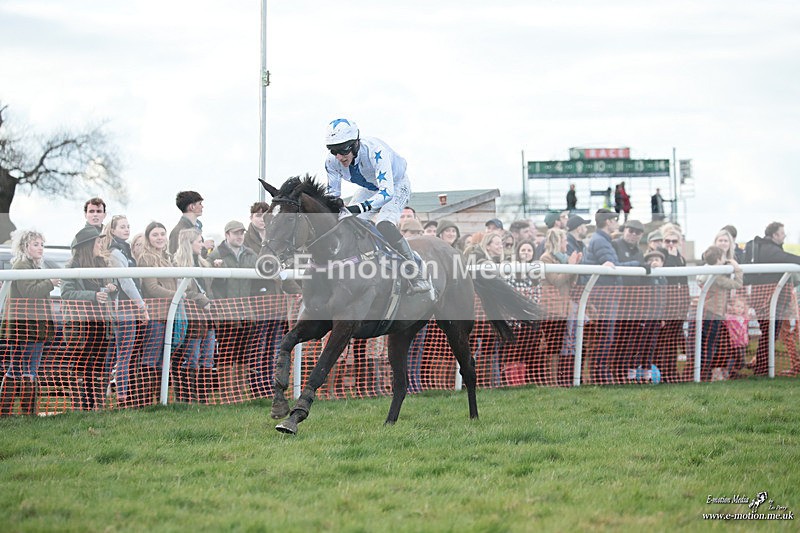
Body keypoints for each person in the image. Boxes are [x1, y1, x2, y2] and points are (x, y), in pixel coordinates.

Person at [324, 118, 431, 294]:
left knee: (384, 223)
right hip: (369, 188)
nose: (339, 157)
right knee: (346, 223)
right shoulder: (331, 162)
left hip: (395, 185)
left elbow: (386, 193)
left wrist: (356, 208)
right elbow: (332, 197)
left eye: (343, 150)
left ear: (355, 144)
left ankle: (415, 273)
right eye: (333, 150)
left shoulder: (375, 151)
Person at [0, 230, 60, 416]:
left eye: (42, 244)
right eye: (36, 244)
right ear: (25, 246)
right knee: (22, 367)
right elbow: (29, 292)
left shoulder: (34, 266)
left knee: (23, 367)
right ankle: (18, 411)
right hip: (26, 326)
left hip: (33, 326)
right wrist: (50, 283)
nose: (40, 248)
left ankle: (20, 411)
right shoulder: (21, 266)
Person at [61, 226, 117, 411]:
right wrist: (93, 295)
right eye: (97, 241)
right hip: (80, 325)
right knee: (81, 365)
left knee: (100, 365)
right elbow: (67, 293)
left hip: (102, 323)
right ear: (87, 245)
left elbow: (114, 288)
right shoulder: (72, 266)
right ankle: (81, 407)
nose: (100, 244)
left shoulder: (103, 264)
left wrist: (111, 288)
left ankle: (98, 406)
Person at [581, 209, 640, 384]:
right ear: (608, 222)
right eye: (615, 219)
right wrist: (640, 264)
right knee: (606, 337)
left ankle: (601, 374)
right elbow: (615, 266)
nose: (617, 223)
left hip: (607, 295)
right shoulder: (600, 241)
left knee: (607, 336)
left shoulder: (603, 240)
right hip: (605, 296)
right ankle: (600, 375)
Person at [103, 215, 148, 407]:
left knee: (119, 353)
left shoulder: (125, 250)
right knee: (123, 355)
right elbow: (126, 282)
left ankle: (113, 392)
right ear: (112, 230)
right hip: (123, 309)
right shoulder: (116, 252)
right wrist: (141, 304)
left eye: (128, 226)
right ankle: (121, 395)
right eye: (122, 227)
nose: (126, 229)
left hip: (125, 309)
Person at [744, 222, 800, 376]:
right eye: (782, 233)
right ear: (775, 235)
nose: (784, 236)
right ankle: (762, 368)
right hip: (768, 300)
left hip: (766, 299)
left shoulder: (763, 248)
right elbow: (788, 258)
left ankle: (761, 366)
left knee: (769, 335)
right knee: (769, 335)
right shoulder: (770, 250)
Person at [135, 221, 177, 405]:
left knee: (162, 358)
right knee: (151, 357)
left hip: (169, 313)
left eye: (162, 233)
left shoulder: (168, 258)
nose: (160, 237)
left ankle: (160, 401)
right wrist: (177, 296)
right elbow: (151, 287)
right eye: (155, 234)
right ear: (148, 238)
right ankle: (145, 401)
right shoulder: (146, 258)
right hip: (156, 314)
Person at [173, 228, 216, 403]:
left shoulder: (204, 264)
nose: (201, 244)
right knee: (192, 357)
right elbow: (181, 293)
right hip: (192, 319)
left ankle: (203, 399)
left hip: (208, 319)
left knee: (207, 358)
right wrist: (200, 298)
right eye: (198, 241)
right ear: (189, 243)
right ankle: (186, 399)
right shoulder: (177, 265)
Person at [539, 228, 581, 386]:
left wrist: (574, 266)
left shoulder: (563, 259)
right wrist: (570, 266)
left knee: (558, 344)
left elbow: (571, 282)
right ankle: (551, 380)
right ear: (557, 241)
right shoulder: (546, 258)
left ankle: (555, 379)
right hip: (551, 308)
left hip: (563, 307)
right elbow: (556, 280)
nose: (567, 243)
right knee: (552, 346)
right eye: (564, 240)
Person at [697, 245, 742, 381]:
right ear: (718, 259)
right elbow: (737, 284)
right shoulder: (717, 277)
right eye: (723, 257)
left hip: (708, 312)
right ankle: (705, 374)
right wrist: (737, 268)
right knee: (710, 345)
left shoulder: (706, 272)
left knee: (707, 344)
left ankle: (705, 373)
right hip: (713, 313)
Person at [655, 227, 689, 383]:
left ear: (680, 242)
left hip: (679, 306)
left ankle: (672, 372)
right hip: (666, 305)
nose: (670, 244)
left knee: (673, 342)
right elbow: (669, 275)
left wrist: (686, 304)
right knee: (664, 342)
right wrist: (672, 256)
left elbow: (684, 282)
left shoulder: (681, 258)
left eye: (673, 241)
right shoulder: (663, 256)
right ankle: (664, 373)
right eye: (667, 241)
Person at [169, 191, 206, 255]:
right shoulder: (178, 232)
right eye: (200, 203)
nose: (202, 206)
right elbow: (175, 260)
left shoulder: (196, 228)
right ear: (192, 207)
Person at [725, 297, 750, 379]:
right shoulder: (729, 318)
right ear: (732, 307)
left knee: (741, 360)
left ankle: (736, 371)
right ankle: (730, 372)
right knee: (732, 358)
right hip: (733, 343)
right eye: (737, 306)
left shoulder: (744, 318)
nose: (739, 309)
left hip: (742, 343)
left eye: (741, 307)